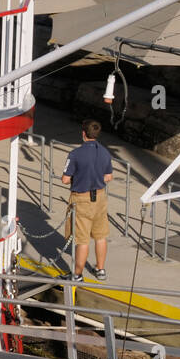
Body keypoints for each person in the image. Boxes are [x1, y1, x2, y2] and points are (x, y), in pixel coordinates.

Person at [61, 119, 114, 281]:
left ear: (83, 134)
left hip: (81, 198)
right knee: (100, 235)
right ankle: (100, 269)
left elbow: (65, 179)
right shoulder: (105, 152)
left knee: (82, 240)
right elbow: (109, 176)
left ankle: (77, 274)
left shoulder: (75, 154)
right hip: (100, 197)